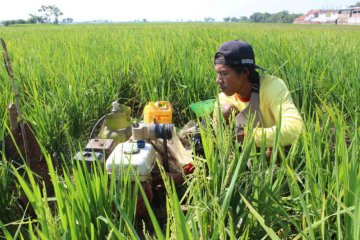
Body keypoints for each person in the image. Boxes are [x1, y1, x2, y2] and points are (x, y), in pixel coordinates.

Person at [213, 40, 304, 147]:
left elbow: (295, 129)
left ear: (245, 72)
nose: (218, 80)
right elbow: (217, 133)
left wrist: (245, 135)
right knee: (225, 110)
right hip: (243, 151)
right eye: (218, 74)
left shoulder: (272, 87)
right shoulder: (223, 98)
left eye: (224, 73)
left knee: (272, 154)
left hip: (275, 149)